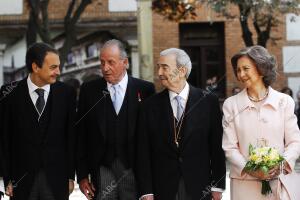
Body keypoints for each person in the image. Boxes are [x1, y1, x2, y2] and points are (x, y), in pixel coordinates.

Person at [136, 48, 226, 200]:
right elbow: (142, 152)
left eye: (164, 67)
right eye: (159, 67)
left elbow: (216, 148)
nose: (159, 73)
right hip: (162, 188)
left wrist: (218, 185)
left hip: (199, 187)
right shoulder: (149, 106)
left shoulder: (208, 102)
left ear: (182, 70)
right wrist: (146, 191)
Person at [76, 39, 155, 200]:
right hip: (102, 168)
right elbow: (80, 135)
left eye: (111, 62)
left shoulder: (146, 90)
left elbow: (152, 138)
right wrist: (82, 175)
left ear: (125, 62)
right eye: (102, 62)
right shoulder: (89, 91)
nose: (105, 68)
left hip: (133, 168)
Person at [0, 42, 77, 200]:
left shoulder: (67, 93)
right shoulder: (9, 93)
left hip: (57, 180)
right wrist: (6, 178)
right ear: (35, 67)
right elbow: (3, 139)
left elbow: (71, 137)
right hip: (20, 182)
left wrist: (70, 176)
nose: (58, 72)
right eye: (53, 67)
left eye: (58, 66)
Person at [222, 45, 300, 200]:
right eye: (238, 70)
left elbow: (294, 142)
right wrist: (251, 169)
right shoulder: (231, 105)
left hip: (279, 182)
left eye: (246, 68)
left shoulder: (284, 101)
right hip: (244, 185)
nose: (241, 74)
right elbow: (230, 147)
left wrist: (282, 164)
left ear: (261, 69)